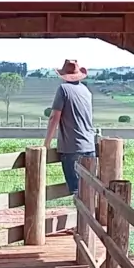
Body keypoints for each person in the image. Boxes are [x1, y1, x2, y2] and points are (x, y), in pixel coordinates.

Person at [44, 59, 96, 194]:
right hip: (89, 146)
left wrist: (46, 144)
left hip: (72, 148)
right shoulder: (86, 90)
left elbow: (54, 117)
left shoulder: (63, 89)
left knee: (77, 191)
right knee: (89, 192)